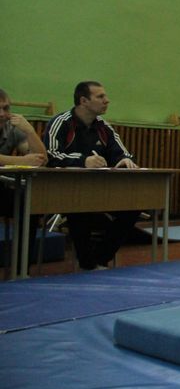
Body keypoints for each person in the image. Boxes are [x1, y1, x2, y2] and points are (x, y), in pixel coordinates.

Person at [43, 81, 140, 271]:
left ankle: (101, 258)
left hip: (100, 191)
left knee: (132, 208)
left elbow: (122, 152)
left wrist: (125, 160)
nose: (107, 100)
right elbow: (51, 155)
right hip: (65, 191)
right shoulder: (60, 122)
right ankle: (88, 265)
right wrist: (83, 160)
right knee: (80, 208)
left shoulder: (104, 127)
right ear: (83, 101)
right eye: (100, 97)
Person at [0, 89, 48, 267]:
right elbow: (26, 159)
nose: (2, 114)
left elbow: (41, 159)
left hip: (2, 188)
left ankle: (21, 267)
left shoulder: (11, 128)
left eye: (6, 108)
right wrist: (21, 160)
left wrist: (30, 131)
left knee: (28, 203)